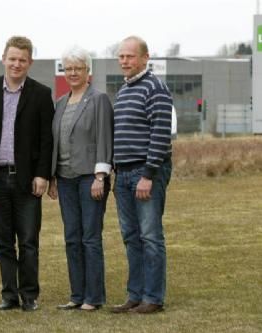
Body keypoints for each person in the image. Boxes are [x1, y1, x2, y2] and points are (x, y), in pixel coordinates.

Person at [0, 36, 54, 312]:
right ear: (3, 59)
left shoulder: (42, 94)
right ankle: (9, 295)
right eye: (12, 58)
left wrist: (43, 174)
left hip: (27, 179)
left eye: (22, 60)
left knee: (29, 240)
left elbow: (47, 139)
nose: (16, 64)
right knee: (3, 242)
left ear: (29, 62)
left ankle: (29, 295)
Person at [47, 46, 113, 311]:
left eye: (78, 68)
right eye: (68, 68)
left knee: (90, 237)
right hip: (65, 179)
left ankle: (93, 297)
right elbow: (56, 143)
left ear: (88, 72)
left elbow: (104, 138)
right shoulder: (60, 102)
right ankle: (77, 295)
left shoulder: (98, 100)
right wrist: (52, 177)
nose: (72, 73)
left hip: (90, 178)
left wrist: (100, 175)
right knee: (72, 238)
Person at [111, 36, 173, 314]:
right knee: (130, 236)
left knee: (150, 236)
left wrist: (148, 174)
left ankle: (153, 298)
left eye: (130, 56)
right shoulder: (124, 91)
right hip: (123, 174)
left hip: (145, 172)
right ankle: (135, 295)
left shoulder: (155, 88)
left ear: (145, 58)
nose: (124, 61)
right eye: (121, 57)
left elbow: (160, 135)